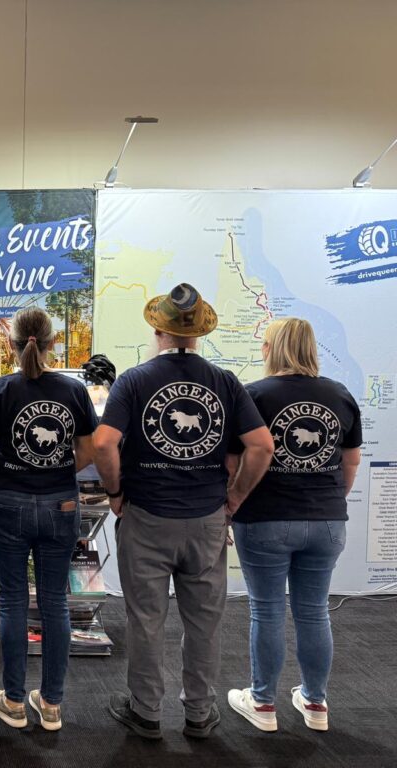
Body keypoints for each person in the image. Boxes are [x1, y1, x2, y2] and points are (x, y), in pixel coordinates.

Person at [92, 283, 274, 740]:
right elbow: (262, 446)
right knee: (204, 622)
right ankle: (199, 713)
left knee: (145, 620)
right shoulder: (225, 382)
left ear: (158, 329)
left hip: (147, 517)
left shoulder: (134, 380)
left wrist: (115, 492)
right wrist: (234, 499)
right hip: (206, 520)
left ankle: (146, 711)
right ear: (199, 333)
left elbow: (104, 443)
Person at [226, 318, 361, 733]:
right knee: (314, 611)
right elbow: (351, 460)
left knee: (266, 610)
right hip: (327, 520)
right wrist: (331, 501)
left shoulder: (254, 395)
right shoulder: (340, 394)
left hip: (266, 518)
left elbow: (234, 460)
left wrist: (231, 503)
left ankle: (263, 703)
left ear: (270, 349)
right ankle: (315, 702)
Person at [0, 307, 98, 731]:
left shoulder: (0, 389)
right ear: (52, 343)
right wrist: (54, 471)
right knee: (55, 601)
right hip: (61, 504)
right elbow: (88, 451)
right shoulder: (74, 390)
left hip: (9, 503)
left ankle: (13, 700)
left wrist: (8, 478)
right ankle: (52, 704)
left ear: (12, 344)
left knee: (12, 601)